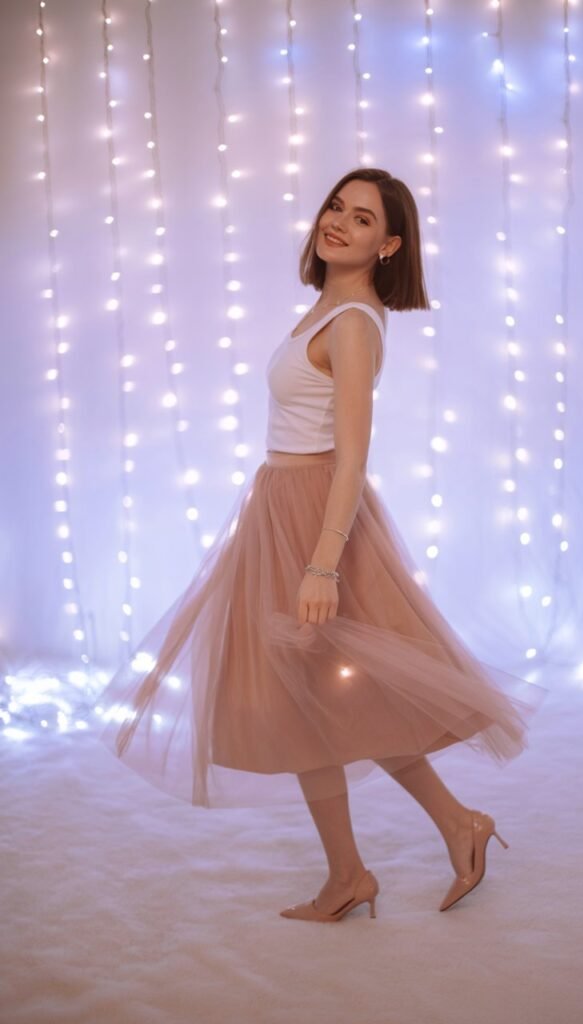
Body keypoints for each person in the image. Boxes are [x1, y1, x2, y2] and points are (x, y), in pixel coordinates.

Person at [94, 168, 547, 924]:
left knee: (334, 700)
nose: (338, 222)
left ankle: (409, 846)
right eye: (336, 207)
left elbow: (352, 457)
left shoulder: (354, 323)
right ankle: (369, 866)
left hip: (313, 522)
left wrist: (320, 564)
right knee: (318, 705)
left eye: (363, 219)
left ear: (389, 245)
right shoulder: (327, 306)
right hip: (280, 507)